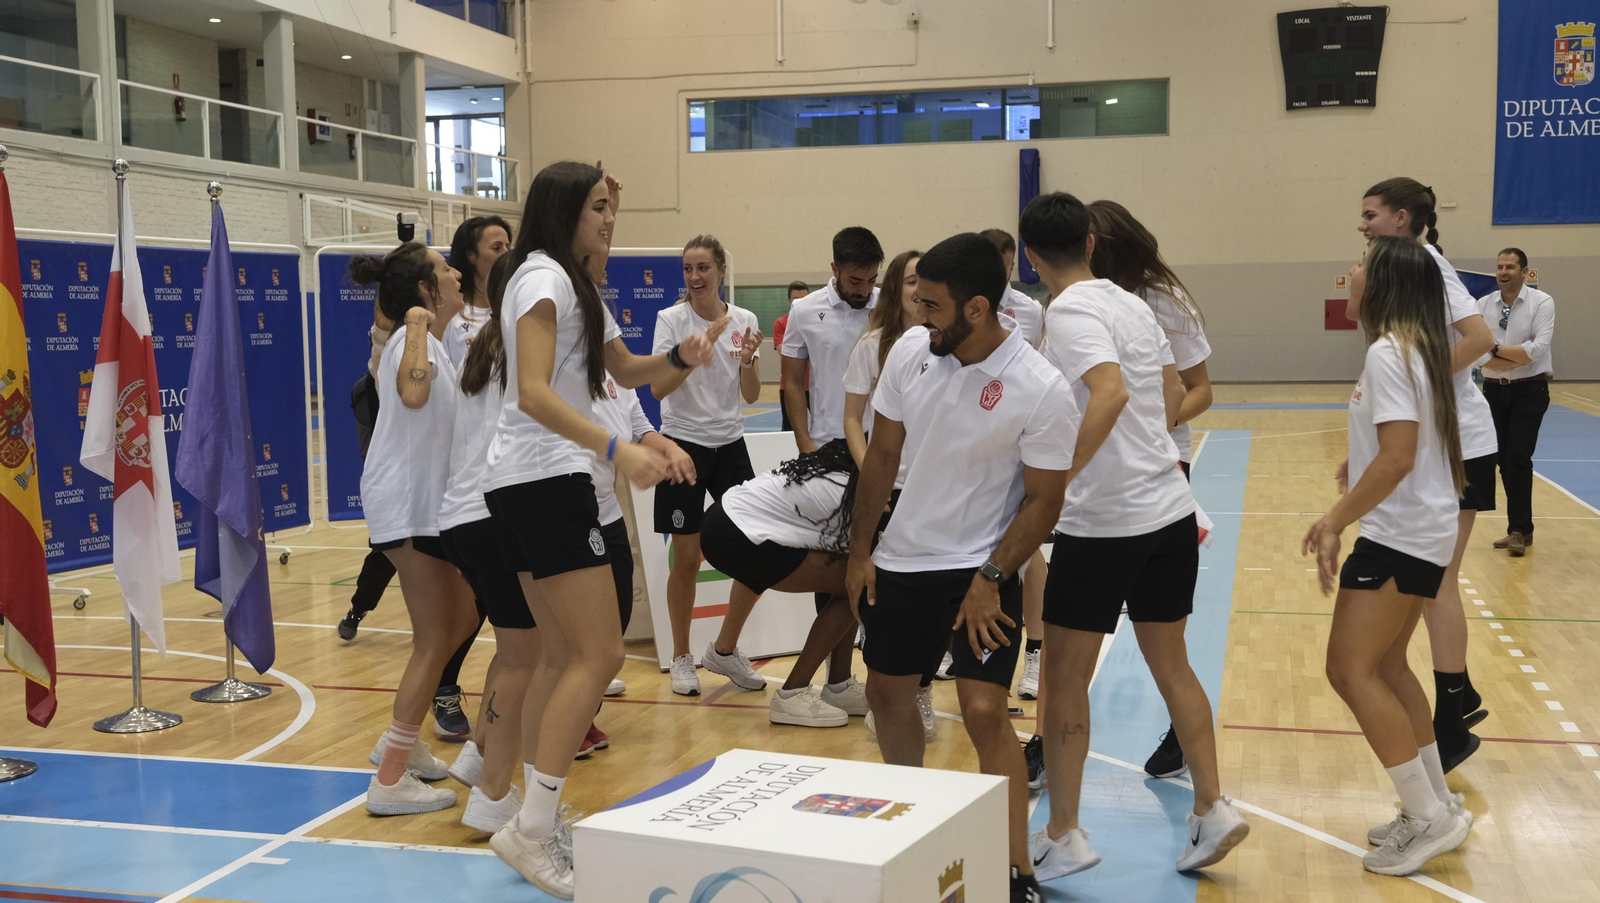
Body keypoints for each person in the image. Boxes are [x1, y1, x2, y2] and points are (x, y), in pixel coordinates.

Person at [482, 161, 719, 897]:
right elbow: (531, 392)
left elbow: (624, 367)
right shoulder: (544, 279)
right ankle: (530, 828)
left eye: (611, 207)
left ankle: (533, 816)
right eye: (597, 208)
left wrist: (683, 355)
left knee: (559, 657)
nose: (610, 219)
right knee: (601, 650)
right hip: (544, 479)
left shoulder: (576, 285)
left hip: (530, 483)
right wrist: (619, 449)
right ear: (563, 214)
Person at [1020, 192, 1248, 879]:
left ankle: (1063, 832)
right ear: (1090, 242)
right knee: (1171, 662)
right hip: (1168, 510)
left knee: (1063, 679)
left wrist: (1060, 480)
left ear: (1032, 256)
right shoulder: (1135, 304)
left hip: (1106, 522)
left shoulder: (1070, 309)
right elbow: (1172, 392)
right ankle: (1213, 806)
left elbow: (1110, 391)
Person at [847, 233, 1078, 903]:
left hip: (981, 565)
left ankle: (1015, 870)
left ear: (978, 308)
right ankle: (914, 834)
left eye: (934, 306)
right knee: (888, 695)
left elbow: (1045, 500)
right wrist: (861, 551)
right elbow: (882, 457)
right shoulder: (910, 352)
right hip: (901, 559)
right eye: (918, 302)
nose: (921, 317)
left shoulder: (1039, 388)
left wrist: (990, 577)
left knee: (982, 709)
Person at [1303, 235, 1473, 876]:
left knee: (1349, 671)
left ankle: (1426, 818)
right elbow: (1402, 445)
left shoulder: (1388, 353)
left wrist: (1332, 521)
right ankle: (1437, 803)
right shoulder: (1411, 349)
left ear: (1383, 285)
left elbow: (1400, 456)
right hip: (1417, 531)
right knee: (1392, 666)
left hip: (1397, 535)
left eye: (1360, 266)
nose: (1349, 272)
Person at [1358, 178, 1496, 770]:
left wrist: (1424, 385)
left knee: (1437, 580)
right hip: (1440, 438)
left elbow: (1482, 339)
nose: (1362, 224)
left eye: (1371, 214)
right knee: (1431, 582)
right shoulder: (1406, 271)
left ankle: (1453, 707)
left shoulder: (1430, 267)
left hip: (1457, 440)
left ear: (1401, 217)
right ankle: (1451, 703)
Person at [1084, 199, 1216, 781]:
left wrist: (1149, 429)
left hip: (1160, 471)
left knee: (1158, 627)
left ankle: (1183, 735)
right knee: (1078, 631)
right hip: (1097, 477)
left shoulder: (1164, 302)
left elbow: (1201, 390)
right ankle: (1050, 738)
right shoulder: (1080, 301)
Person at [351, 243, 482, 817]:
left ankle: (398, 743)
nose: (457, 273)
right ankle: (388, 778)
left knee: (462, 616)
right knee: (435, 637)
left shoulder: (438, 343)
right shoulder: (413, 339)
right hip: (407, 507)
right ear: (427, 291)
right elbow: (412, 391)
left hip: (431, 508)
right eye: (446, 268)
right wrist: (415, 323)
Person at [435, 254, 538, 833]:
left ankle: (479, 757)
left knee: (516, 648)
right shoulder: (518, 345)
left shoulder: (488, 342)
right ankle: (494, 796)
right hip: (490, 513)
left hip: (465, 516)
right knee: (533, 655)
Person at [650, 235, 765, 697]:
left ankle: (724, 649)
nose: (694, 277)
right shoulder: (670, 320)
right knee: (688, 559)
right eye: (687, 269)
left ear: (720, 270)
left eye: (703, 268)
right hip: (683, 446)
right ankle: (682, 656)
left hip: (731, 445)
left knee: (759, 551)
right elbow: (657, 388)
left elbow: (752, 394)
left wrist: (751, 360)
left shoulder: (745, 320)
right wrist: (693, 354)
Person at [777, 227, 885, 717]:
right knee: (840, 574)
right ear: (835, 268)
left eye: (871, 279)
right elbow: (791, 382)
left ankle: (840, 682)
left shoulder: (891, 308)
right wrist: (804, 442)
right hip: (828, 455)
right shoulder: (804, 312)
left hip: (884, 450)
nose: (864, 288)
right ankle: (828, 682)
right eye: (856, 278)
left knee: (859, 572)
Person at [839, 248, 938, 739]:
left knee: (932, 600)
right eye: (912, 280)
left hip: (931, 489)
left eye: (927, 280)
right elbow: (853, 419)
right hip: (886, 486)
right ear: (896, 287)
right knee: (883, 598)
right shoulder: (873, 346)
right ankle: (887, 693)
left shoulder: (948, 347)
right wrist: (872, 474)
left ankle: (922, 691)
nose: (920, 290)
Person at [699, 445, 869, 728]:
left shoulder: (851, 469)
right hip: (735, 533)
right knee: (858, 583)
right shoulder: (863, 491)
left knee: (850, 575)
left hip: (727, 519)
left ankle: (839, 685)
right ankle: (792, 693)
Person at [979, 229, 1049, 718]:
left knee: (1026, 551)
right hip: (973, 439)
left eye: (1004, 263)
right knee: (970, 542)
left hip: (1019, 436)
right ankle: (957, 646)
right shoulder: (962, 304)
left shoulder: (1030, 311)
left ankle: (1036, 655)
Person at [1476, 248, 1555, 557]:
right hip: (1495, 391)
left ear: (1524, 272)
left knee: (1519, 458)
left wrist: (1496, 352)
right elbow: (1478, 355)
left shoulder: (1542, 303)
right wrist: (1506, 356)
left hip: (1530, 391)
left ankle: (1518, 530)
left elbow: (1537, 350)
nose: (1503, 271)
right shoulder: (1483, 305)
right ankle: (1521, 528)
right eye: (1499, 266)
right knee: (1503, 461)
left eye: (1510, 266)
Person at [444, 215, 514, 367]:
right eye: (497, 248)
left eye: (508, 247)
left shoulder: (515, 307)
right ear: (471, 256)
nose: (506, 254)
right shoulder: (451, 317)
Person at [773, 280, 810, 433]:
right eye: (796, 299)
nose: (800, 303)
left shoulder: (818, 322)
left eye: (804, 299)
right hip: (791, 386)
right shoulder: (781, 323)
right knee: (791, 431)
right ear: (789, 300)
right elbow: (785, 354)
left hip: (817, 386)